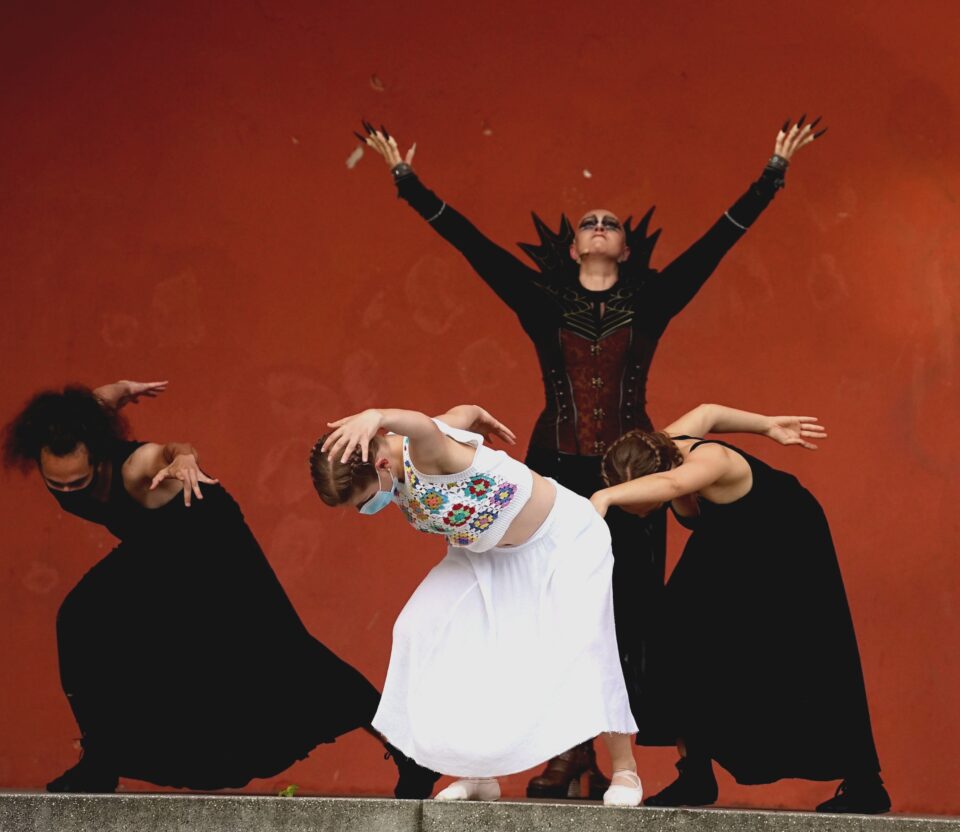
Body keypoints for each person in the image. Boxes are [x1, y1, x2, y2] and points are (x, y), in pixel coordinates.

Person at [357, 116, 825, 797]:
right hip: (554, 473)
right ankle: (569, 755)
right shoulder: (542, 301)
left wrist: (771, 177)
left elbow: (712, 248)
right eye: (589, 222)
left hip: (634, 474)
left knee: (632, 612)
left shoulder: (651, 300)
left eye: (611, 224)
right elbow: (475, 249)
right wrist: (407, 182)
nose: (599, 226)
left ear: (626, 249)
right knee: (546, 607)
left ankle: (662, 763)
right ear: (574, 246)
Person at [2, 380, 437, 797]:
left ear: (98, 457)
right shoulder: (69, 429)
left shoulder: (137, 465)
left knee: (287, 651)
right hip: (154, 549)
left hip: (209, 536)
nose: (68, 490)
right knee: (82, 620)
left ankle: (410, 753)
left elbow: (172, 451)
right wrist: (119, 391)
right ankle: (101, 759)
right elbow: (94, 405)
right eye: (57, 484)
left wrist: (183, 460)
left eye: (78, 483)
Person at [309, 403, 641, 806]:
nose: (365, 510)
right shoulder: (403, 462)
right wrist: (475, 415)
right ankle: (477, 773)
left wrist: (378, 415)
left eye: (363, 502)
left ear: (381, 464)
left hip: (564, 539)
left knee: (587, 645)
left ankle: (625, 771)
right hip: (484, 554)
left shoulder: (425, 451)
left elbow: (421, 426)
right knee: (420, 629)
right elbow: (460, 414)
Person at [589, 403, 890, 814]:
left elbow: (675, 482)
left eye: (638, 500)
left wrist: (604, 497)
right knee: (672, 633)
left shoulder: (708, 461)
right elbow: (708, 413)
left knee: (813, 650)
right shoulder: (660, 445)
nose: (637, 510)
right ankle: (695, 774)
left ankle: (865, 783)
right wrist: (766, 425)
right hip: (728, 538)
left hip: (788, 536)